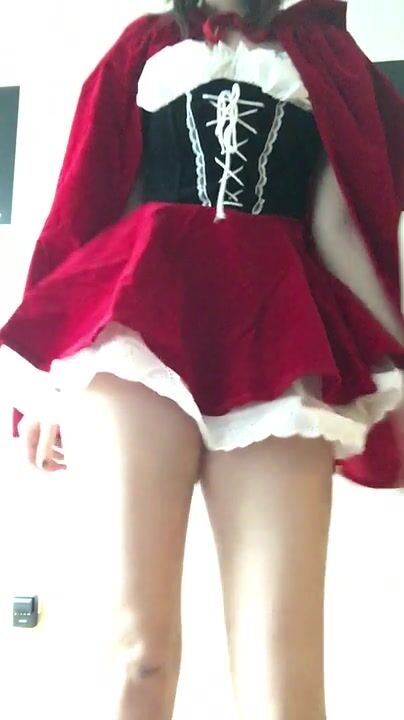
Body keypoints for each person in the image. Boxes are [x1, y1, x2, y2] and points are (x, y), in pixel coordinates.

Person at [0, 1, 403, 718]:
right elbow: (90, 204)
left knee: (283, 685)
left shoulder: (324, 57)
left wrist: (396, 370)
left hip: (276, 331)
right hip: (139, 329)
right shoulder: (145, 46)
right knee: (137, 656)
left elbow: (340, 226)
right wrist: (47, 388)